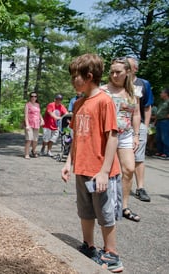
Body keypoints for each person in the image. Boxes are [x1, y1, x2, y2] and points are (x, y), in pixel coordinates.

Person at [61, 53, 123, 273]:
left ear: (88, 76)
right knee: (85, 211)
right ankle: (89, 246)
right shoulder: (78, 104)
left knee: (105, 213)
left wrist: (105, 171)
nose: (72, 81)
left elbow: (113, 137)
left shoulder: (104, 101)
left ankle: (112, 254)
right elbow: (76, 137)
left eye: (74, 76)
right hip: (83, 169)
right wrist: (69, 162)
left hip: (101, 172)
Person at [101, 57, 141, 222]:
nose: (114, 75)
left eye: (118, 72)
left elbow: (136, 114)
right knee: (106, 169)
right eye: (112, 72)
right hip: (107, 134)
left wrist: (136, 135)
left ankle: (123, 206)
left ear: (128, 72)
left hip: (125, 134)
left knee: (129, 169)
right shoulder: (103, 90)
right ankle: (102, 204)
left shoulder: (133, 91)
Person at [127, 57, 154, 202]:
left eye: (129, 66)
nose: (126, 69)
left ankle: (140, 187)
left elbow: (147, 106)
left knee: (138, 157)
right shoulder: (118, 83)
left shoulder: (143, 84)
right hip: (121, 125)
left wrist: (146, 126)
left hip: (139, 124)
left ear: (135, 69)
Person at [24, 92, 44, 158]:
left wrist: (42, 119)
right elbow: (26, 115)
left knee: (35, 140)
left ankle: (33, 151)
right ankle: (27, 154)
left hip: (36, 123)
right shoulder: (27, 104)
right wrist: (27, 125)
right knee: (29, 139)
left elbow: (39, 113)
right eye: (32, 96)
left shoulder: (37, 105)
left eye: (35, 96)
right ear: (30, 97)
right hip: (29, 123)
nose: (33, 97)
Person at [154, 88, 169, 159]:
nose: (160, 94)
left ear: (166, 94)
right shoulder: (161, 102)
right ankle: (159, 151)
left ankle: (166, 153)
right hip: (159, 121)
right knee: (158, 137)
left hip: (165, 121)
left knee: (165, 137)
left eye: (162, 93)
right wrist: (155, 121)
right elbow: (158, 113)